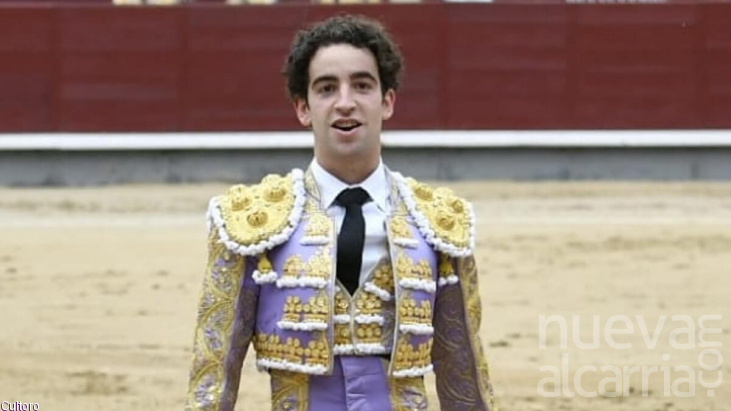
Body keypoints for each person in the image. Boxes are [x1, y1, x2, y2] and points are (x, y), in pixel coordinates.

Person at [184, 14, 496, 411]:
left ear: (387, 101)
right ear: (303, 108)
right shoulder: (249, 223)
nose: (345, 103)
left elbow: (464, 379)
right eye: (327, 88)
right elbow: (213, 377)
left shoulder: (437, 223)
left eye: (362, 85)